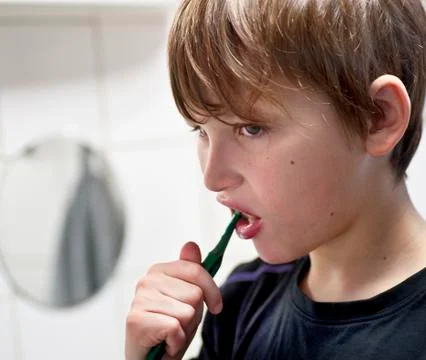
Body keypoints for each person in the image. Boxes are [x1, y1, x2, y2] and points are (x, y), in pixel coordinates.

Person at [125, 0, 426, 359]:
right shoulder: (238, 303)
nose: (213, 178)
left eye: (251, 128)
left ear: (376, 117)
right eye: (200, 130)